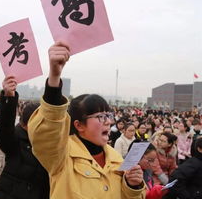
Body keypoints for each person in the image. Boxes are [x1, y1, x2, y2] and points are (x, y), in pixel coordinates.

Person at [28, 41, 145, 199]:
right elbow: (47, 133)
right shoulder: (61, 155)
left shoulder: (115, 158)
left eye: (108, 115)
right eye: (100, 117)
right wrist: (54, 77)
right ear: (79, 125)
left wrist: (132, 185)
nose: (108, 122)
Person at [0, 76, 50, 199]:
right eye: (39, 123)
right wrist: (9, 97)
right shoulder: (15, 141)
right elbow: (4, 128)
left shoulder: (47, 146)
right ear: (26, 124)